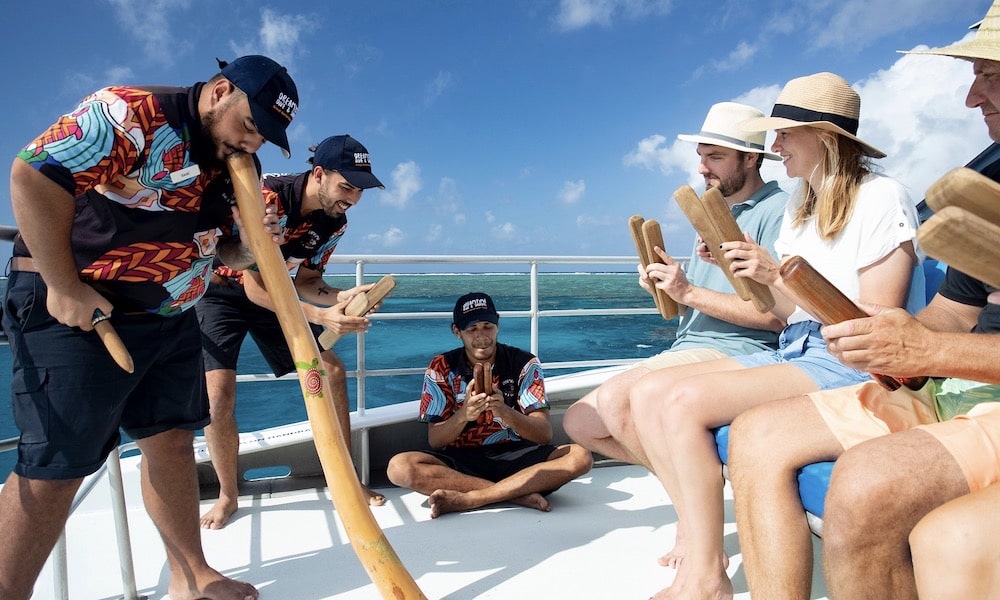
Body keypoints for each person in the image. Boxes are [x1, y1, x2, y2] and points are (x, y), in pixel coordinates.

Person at [0, 55, 299, 600]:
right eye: (249, 125)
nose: (252, 145)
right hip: (82, 308)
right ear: (219, 91)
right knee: (55, 466)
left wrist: (253, 247)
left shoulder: (238, 166)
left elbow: (218, 248)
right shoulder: (132, 113)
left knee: (170, 441)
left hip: (170, 315)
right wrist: (63, 287)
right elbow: (34, 173)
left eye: (265, 138)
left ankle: (191, 578)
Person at [728, 6, 1000, 599]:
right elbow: (954, 312)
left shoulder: (888, 197)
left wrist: (929, 348)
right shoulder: (993, 185)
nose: (971, 98)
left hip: (980, 393)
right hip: (942, 383)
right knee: (754, 433)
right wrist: (904, 337)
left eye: (993, 76)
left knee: (864, 483)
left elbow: (943, 340)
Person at [625, 72, 920, 600]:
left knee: (684, 402)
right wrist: (759, 276)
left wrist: (779, 275)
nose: (774, 145)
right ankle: (701, 556)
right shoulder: (801, 206)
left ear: (826, 137)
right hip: (799, 346)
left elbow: (881, 320)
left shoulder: (881, 197)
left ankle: (705, 577)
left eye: (784, 134)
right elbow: (787, 315)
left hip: (852, 359)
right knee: (659, 395)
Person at [563, 101, 787, 566]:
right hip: (692, 344)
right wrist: (666, 285)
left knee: (620, 401)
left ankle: (693, 522)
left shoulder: (778, 213)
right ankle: (695, 490)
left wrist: (686, 291)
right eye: (701, 156)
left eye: (715, 157)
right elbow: (686, 308)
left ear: (752, 158)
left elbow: (775, 318)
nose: (702, 167)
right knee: (579, 422)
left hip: (743, 349)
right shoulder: (713, 211)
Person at [197, 134, 388, 530]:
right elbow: (254, 287)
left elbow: (308, 280)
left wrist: (343, 295)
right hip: (220, 293)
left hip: (278, 292)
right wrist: (321, 318)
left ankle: (346, 481)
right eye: (346, 186)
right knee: (217, 396)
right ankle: (227, 494)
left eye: (360, 191)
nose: (352, 198)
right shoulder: (269, 198)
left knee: (331, 372)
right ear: (318, 174)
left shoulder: (334, 220)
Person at [386, 292, 593, 517]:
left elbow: (543, 435)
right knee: (399, 468)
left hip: (516, 456)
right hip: (463, 460)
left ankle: (473, 498)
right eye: (472, 329)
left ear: (498, 325)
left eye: (487, 326)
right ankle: (516, 494)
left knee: (580, 456)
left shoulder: (524, 363)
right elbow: (436, 440)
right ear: (457, 332)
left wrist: (503, 411)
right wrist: (464, 414)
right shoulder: (442, 366)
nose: (481, 336)